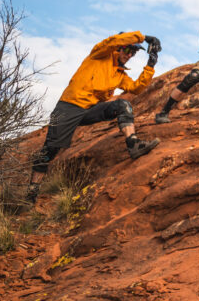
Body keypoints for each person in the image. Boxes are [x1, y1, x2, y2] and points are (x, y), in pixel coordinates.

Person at [28, 32, 162, 202]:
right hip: (69, 106)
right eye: (127, 50)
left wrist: (150, 65)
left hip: (91, 109)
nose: (129, 55)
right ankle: (32, 193)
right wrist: (144, 38)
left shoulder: (120, 74)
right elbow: (114, 41)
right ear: (118, 48)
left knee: (123, 105)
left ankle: (133, 144)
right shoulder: (100, 55)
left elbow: (135, 88)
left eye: (133, 53)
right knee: (50, 150)